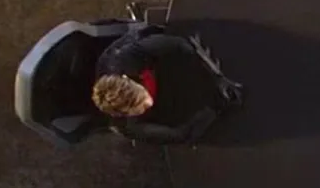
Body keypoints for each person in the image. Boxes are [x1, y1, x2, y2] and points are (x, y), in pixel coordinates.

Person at [91, 26, 241, 145]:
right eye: (138, 108)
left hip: (166, 61)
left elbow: (179, 44)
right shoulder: (130, 127)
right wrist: (215, 107)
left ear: (128, 79)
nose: (147, 102)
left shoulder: (128, 57)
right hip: (173, 104)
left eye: (140, 97)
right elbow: (181, 134)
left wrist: (213, 73)